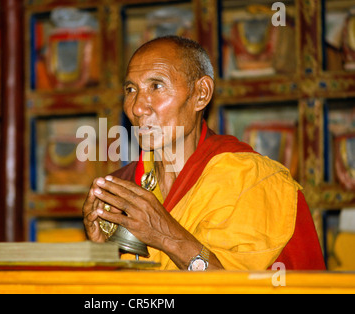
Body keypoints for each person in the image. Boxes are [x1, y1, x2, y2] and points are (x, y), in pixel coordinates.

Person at [82, 35, 326, 271]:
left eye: (156, 86)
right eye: (130, 89)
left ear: (201, 94)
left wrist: (166, 236)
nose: (136, 107)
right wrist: (101, 254)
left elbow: (236, 290)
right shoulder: (123, 186)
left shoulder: (249, 180)